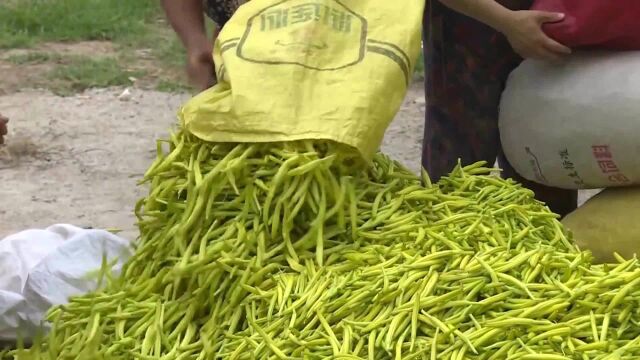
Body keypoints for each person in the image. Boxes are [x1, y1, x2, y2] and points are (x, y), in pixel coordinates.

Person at [162, 0, 577, 216]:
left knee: (546, 162)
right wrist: (196, 44)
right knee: (458, 171)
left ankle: (543, 261)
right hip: (254, 42)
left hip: (330, 35)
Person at [422, 0, 577, 217]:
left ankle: (544, 245)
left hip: (547, 27)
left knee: (545, 173)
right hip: (466, 26)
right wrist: (507, 21)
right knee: (457, 180)